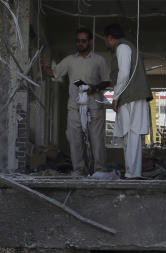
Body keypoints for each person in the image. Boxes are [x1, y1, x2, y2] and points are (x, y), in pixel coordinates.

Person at [41, 27, 111, 176]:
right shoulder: (69, 60)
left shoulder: (99, 60)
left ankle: (99, 170)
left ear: (90, 41)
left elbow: (107, 81)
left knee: (97, 140)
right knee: (75, 140)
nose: (80, 44)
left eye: (83, 41)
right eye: (78, 41)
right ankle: (79, 170)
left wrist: (95, 87)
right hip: (74, 106)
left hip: (94, 106)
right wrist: (44, 66)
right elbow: (54, 73)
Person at [104, 23, 151, 179]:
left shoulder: (122, 48)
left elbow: (123, 74)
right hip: (134, 96)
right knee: (132, 135)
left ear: (110, 38)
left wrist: (115, 96)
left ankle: (132, 174)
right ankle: (132, 173)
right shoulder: (127, 47)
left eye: (106, 39)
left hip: (130, 97)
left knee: (131, 135)